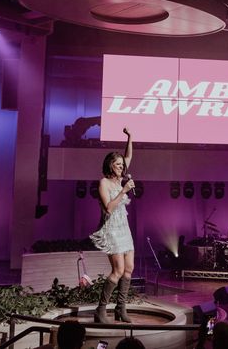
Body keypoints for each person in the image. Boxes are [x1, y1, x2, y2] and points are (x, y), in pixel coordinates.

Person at [90, 127, 136, 324]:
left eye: (122, 165)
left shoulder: (120, 179)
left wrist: (130, 137)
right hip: (112, 230)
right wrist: (123, 190)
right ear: (110, 166)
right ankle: (100, 311)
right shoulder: (104, 183)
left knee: (129, 269)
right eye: (118, 165)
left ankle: (120, 309)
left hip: (124, 228)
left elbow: (128, 155)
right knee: (117, 271)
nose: (121, 167)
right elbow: (108, 208)